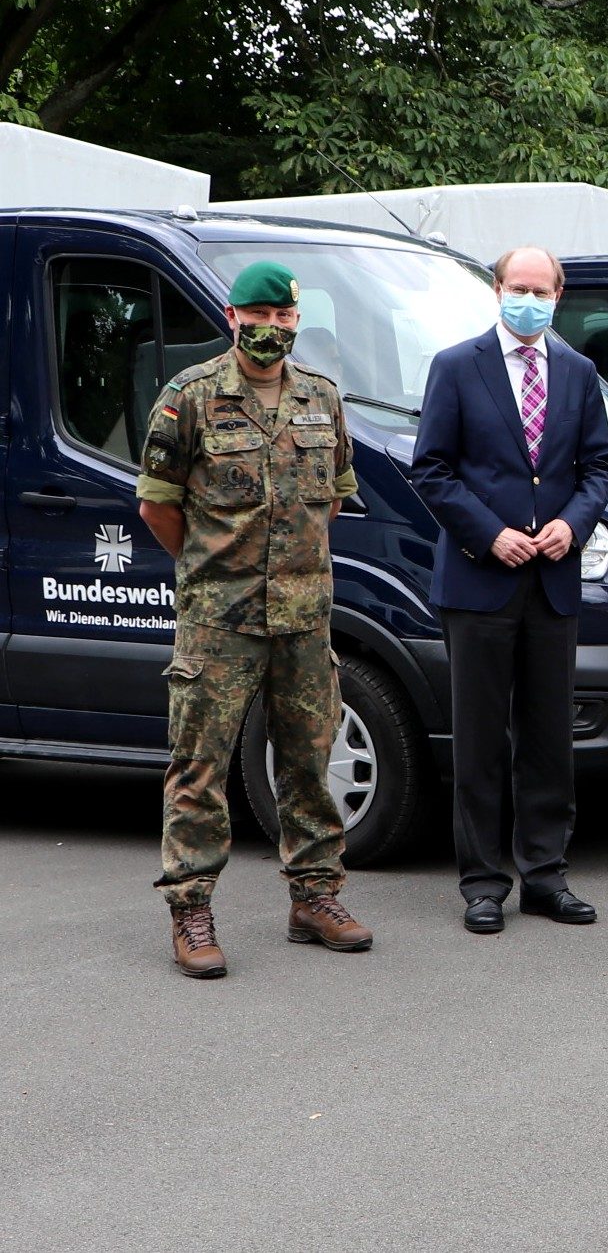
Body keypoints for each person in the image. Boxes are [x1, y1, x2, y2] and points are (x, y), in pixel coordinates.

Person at [135, 260, 374, 977]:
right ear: (232, 317)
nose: (271, 327)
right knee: (199, 767)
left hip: (304, 617)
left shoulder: (323, 400)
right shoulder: (191, 398)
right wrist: (213, 570)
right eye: (258, 315)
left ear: (298, 321)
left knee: (308, 762)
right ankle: (191, 910)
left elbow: (332, 500)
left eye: (284, 316)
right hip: (220, 620)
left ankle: (315, 898)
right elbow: (156, 505)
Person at [409, 246, 608, 934]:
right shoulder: (455, 366)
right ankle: (482, 882)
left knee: (548, 736)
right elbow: (432, 471)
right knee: (479, 738)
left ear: (560, 296)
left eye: (541, 289)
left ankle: (547, 876)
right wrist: (489, 533)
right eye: (517, 287)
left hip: (552, 580)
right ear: (496, 290)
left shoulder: (581, 373)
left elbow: (597, 471)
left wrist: (572, 524)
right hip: (479, 577)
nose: (528, 298)